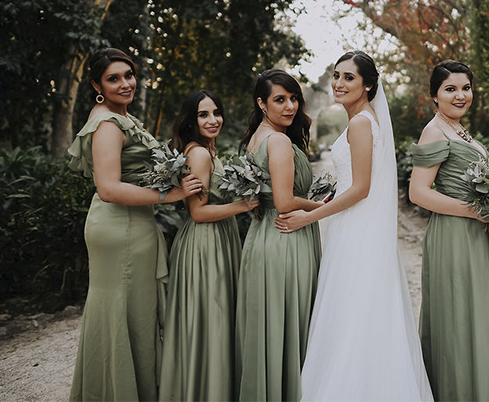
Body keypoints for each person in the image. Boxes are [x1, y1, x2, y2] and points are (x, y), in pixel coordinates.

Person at [276, 51, 434, 401]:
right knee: (354, 310)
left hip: (356, 230)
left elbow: (361, 189)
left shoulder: (362, 123)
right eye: (336, 75)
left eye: (349, 77)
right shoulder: (363, 119)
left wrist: (309, 216)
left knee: (352, 309)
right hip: (351, 226)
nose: (339, 83)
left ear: (368, 84)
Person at [68, 48, 202, 401]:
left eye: (128, 75)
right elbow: (109, 188)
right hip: (120, 228)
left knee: (131, 313)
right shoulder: (108, 125)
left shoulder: (119, 117)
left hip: (130, 224)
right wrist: (170, 196)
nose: (125, 83)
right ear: (97, 85)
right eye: (113, 78)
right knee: (123, 314)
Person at [408, 60, 489, 401]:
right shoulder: (434, 131)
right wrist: (473, 210)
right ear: (434, 96)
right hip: (455, 235)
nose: (460, 95)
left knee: (480, 315)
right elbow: (418, 192)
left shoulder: (460, 130)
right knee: (459, 316)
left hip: (479, 236)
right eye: (450, 89)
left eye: (465, 88)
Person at [159, 90, 259, 401]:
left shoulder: (205, 151)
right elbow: (198, 212)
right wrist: (242, 206)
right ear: (191, 120)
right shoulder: (199, 154)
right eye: (204, 114)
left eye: (216, 112)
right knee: (211, 319)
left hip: (219, 238)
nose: (213, 119)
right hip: (205, 245)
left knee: (214, 319)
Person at [235, 69, 323, 402]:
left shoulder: (255, 138)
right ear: (261, 103)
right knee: (290, 323)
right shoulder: (279, 140)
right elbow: (285, 201)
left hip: (261, 237)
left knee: (269, 326)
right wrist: (324, 205)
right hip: (287, 236)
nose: (289, 107)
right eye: (279, 100)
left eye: (293, 98)